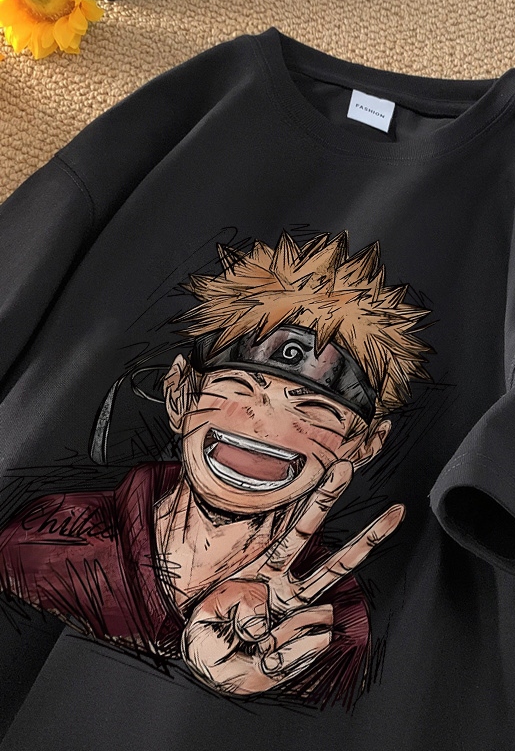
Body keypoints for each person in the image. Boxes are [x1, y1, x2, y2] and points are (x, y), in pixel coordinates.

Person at [0, 230, 433, 706]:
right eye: (241, 386)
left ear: (364, 446)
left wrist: (227, 673)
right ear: (181, 394)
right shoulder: (47, 536)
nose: (267, 425)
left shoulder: (329, 624)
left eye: (315, 409)